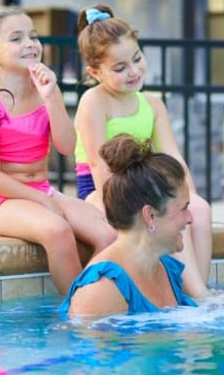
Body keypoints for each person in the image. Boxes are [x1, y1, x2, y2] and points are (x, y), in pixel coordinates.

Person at [0, 6, 116, 295]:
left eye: (33, 36)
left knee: (108, 234)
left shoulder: (46, 90)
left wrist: (51, 98)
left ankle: (98, 297)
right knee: (57, 231)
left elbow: (66, 146)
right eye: (16, 38)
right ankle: (77, 311)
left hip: (41, 190)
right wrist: (43, 202)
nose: (30, 44)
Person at [73, 4, 211, 297]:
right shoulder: (94, 102)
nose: (134, 71)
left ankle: (194, 289)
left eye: (137, 59)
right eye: (120, 68)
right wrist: (124, 206)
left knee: (199, 209)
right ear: (95, 72)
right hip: (103, 190)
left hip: (148, 186)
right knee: (152, 218)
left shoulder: (152, 103)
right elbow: (100, 167)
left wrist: (188, 198)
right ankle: (197, 296)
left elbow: (174, 158)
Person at [60, 134, 199, 317]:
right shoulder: (101, 291)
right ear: (149, 215)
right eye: (183, 208)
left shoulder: (165, 268)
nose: (190, 218)